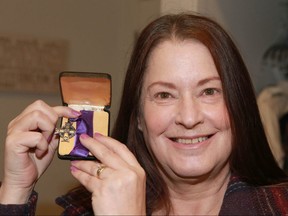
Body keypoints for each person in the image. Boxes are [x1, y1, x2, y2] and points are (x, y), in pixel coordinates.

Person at [0, 13, 288, 215]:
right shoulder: (89, 209)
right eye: (164, 95)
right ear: (138, 117)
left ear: (238, 104)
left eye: (209, 91)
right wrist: (16, 192)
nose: (189, 117)